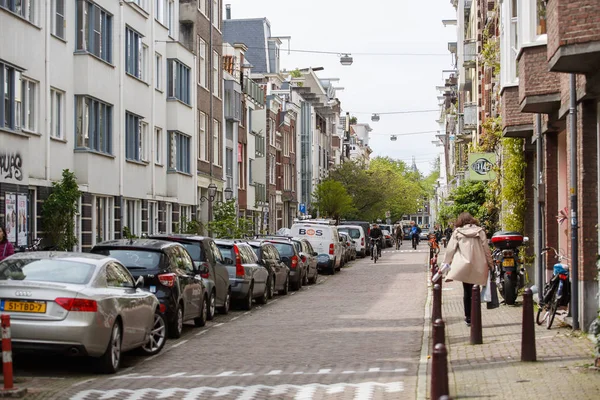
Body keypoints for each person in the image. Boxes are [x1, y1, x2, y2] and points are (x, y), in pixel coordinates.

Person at [442, 213, 493, 326]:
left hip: (464, 266)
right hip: (479, 265)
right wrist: (490, 264)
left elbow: (450, 250)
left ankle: (468, 317)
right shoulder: (480, 232)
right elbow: (486, 249)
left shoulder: (457, 232)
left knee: (467, 291)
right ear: (472, 220)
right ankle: (476, 315)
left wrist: (446, 264)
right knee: (476, 290)